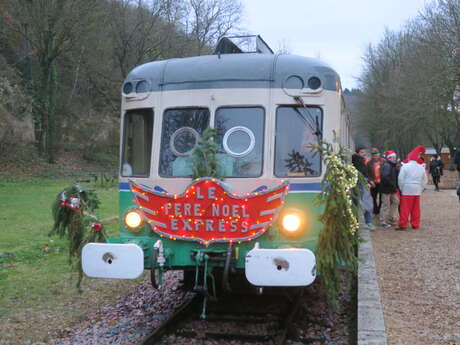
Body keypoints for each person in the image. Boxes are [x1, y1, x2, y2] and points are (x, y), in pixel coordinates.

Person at [397, 145, 428, 230]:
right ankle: (415, 224)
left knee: (405, 208)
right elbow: (425, 180)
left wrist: (402, 188)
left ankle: (403, 224)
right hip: (417, 189)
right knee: (416, 208)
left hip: (407, 189)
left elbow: (400, 179)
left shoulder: (405, 166)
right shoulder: (421, 167)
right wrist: (421, 188)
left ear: (409, 158)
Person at [352, 147, 376, 230]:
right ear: (357, 153)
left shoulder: (360, 161)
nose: (364, 154)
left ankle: (357, 222)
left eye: (364, 152)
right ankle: (367, 222)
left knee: (360, 203)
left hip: (361, 184)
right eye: (362, 152)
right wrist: (368, 181)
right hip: (361, 184)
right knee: (366, 202)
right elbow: (362, 174)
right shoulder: (359, 161)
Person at [380, 150, 399, 227]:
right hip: (386, 189)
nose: (394, 158)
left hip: (391, 189)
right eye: (393, 157)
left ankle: (391, 218)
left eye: (395, 157)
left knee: (396, 201)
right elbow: (385, 177)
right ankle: (383, 221)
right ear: (389, 158)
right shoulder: (387, 165)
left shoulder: (392, 166)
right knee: (386, 205)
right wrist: (392, 185)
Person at [367, 147, 382, 215]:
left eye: (376, 154)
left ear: (378, 155)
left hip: (381, 183)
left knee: (382, 198)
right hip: (374, 183)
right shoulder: (369, 163)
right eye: (373, 155)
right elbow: (367, 174)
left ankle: (379, 208)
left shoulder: (382, 162)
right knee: (374, 197)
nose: (375, 156)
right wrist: (370, 181)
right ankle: (375, 210)